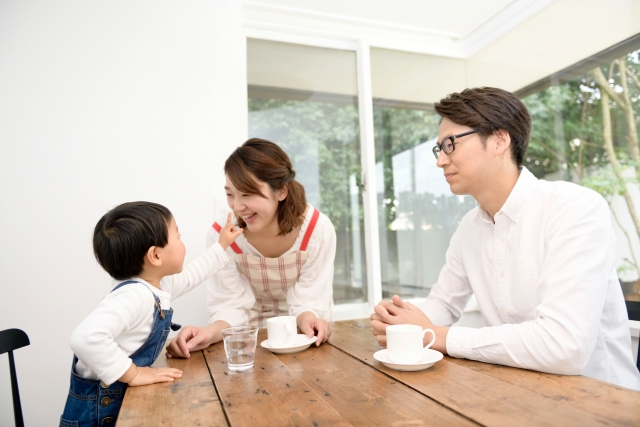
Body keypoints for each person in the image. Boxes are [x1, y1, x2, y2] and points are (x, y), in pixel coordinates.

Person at [370, 87, 640, 391]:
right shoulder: (469, 228)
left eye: (450, 144)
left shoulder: (574, 208)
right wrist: (401, 322)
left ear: (499, 140)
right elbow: (442, 304)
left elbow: (565, 347)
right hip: (519, 394)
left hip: (603, 402)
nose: (440, 161)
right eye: (439, 149)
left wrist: (437, 335)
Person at [60, 202, 242, 426]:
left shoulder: (156, 285)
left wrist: (221, 244)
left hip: (120, 402)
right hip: (98, 412)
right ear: (155, 255)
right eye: (178, 236)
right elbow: (85, 338)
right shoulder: (134, 296)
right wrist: (134, 374)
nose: (182, 242)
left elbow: (193, 273)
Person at [166, 138, 336, 358]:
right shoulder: (223, 236)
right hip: (246, 336)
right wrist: (209, 332)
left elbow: (308, 300)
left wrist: (310, 321)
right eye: (230, 194)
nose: (237, 206)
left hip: (301, 334)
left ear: (282, 191)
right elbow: (230, 305)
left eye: (247, 194)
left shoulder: (317, 230)